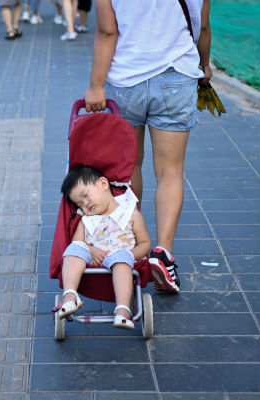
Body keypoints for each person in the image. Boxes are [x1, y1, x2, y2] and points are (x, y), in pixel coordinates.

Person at [84, 0, 212, 293]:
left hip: (125, 80)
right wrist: (204, 64)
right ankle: (162, 253)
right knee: (170, 171)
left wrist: (96, 85)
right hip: (176, 77)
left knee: (129, 169)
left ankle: (131, 247)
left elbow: (107, 32)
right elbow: (202, 27)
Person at [58, 165, 151, 330]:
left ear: (103, 184)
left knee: (122, 259)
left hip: (121, 256)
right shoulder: (86, 220)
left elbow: (145, 243)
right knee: (73, 250)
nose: (85, 204)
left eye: (86, 196)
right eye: (80, 204)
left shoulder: (129, 213)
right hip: (92, 260)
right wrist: (91, 250)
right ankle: (70, 295)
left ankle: (122, 309)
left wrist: (130, 255)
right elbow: (78, 243)